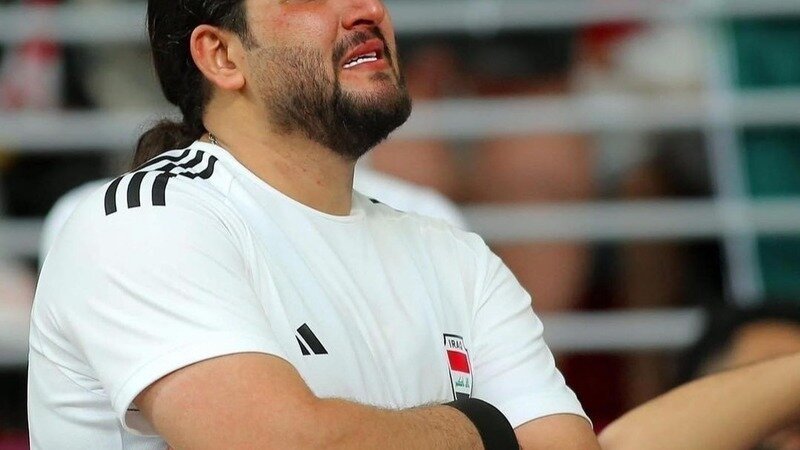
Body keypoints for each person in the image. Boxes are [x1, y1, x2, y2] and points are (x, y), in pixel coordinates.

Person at [27, 0, 598, 448]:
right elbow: (277, 443)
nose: (368, 9)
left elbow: (565, 444)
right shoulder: (145, 221)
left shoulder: (457, 254)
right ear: (222, 56)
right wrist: (486, 429)